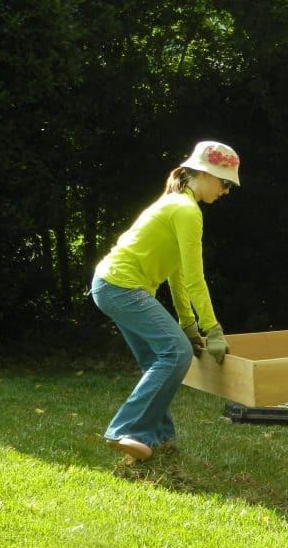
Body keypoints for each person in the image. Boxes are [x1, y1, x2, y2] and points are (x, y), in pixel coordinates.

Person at [91, 140, 241, 461]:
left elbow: (177, 276)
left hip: (110, 284)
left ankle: (161, 440)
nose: (226, 191)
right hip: (122, 286)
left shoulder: (176, 204)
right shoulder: (187, 211)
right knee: (176, 353)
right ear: (205, 174)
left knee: (157, 358)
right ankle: (124, 429)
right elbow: (195, 278)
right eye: (225, 182)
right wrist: (211, 329)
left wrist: (188, 323)